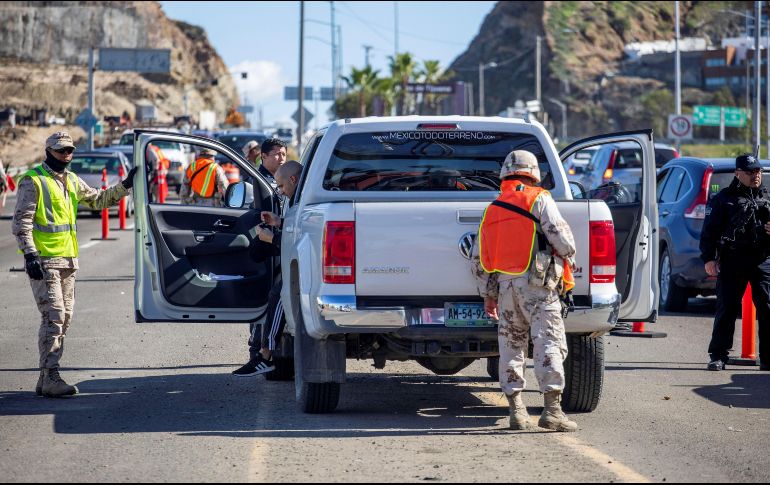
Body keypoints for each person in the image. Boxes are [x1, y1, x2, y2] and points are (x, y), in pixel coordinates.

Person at [11, 131, 137, 398]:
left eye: (69, 150)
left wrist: (125, 185)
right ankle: (52, 376)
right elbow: (21, 223)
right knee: (54, 317)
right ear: (48, 151)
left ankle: (45, 377)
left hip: (68, 260)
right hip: (45, 261)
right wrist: (30, 255)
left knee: (64, 319)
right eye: (60, 150)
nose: (66, 155)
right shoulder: (33, 181)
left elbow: (99, 200)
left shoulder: (71, 180)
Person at [471, 150, 578, 432]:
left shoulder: (492, 209)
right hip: (538, 286)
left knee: (511, 345)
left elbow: (480, 261)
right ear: (532, 173)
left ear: (505, 174)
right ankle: (552, 411)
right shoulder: (539, 198)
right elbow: (560, 235)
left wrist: (488, 294)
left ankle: (516, 411)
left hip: (506, 288)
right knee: (548, 342)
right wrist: (569, 253)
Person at [232, 161, 303, 376]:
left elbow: (300, 241)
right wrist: (279, 222)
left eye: (281, 187)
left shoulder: (305, 201)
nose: (281, 192)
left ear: (292, 180)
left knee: (281, 291)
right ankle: (264, 354)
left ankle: (265, 355)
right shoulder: (303, 198)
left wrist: (273, 238)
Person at [701, 154, 770, 371]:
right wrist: (709, 258)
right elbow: (709, 232)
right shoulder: (723, 199)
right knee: (727, 308)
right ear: (737, 173)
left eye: (758, 171)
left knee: (768, 308)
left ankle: (768, 358)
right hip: (733, 260)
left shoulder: (768, 198)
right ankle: (719, 355)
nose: (755, 176)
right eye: (750, 172)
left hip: (762, 260)